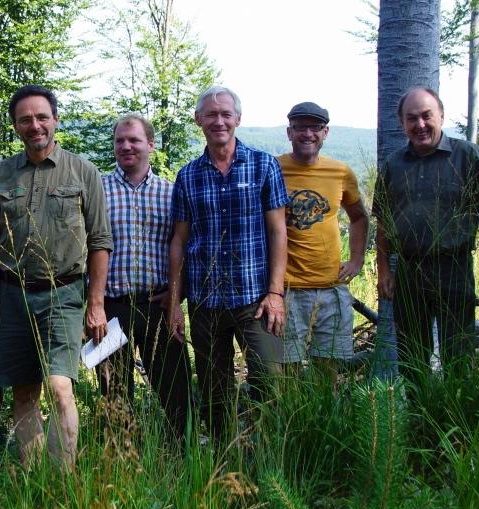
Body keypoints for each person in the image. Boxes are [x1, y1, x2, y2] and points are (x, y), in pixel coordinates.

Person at [0, 85, 113, 468]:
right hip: (14, 295)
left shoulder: (84, 172)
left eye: (41, 117)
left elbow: (100, 241)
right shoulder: (1, 175)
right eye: (25, 119)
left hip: (64, 294)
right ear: (16, 126)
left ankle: (62, 480)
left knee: (59, 387)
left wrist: (95, 304)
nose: (34, 125)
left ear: (55, 120)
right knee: (24, 391)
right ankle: (33, 480)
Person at [166, 85, 289, 445]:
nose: (219, 121)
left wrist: (276, 292)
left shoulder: (263, 164)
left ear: (237, 118)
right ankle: (223, 459)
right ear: (198, 120)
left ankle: (270, 458)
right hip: (205, 302)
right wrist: (175, 303)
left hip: (255, 299)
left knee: (269, 382)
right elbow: (179, 242)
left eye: (225, 114)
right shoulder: (188, 175)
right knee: (213, 389)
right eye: (211, 114)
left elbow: (278, 232)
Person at [373, 87, 479, 383]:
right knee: (411, 357)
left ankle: (457, 423)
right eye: (411, 119)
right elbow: (383, 221)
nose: (420, 124)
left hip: (453, 267)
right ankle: (420, 420)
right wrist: (384, 270)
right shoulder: (394, 164)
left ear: (441, 116)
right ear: (402, 124)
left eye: (426, 116)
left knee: (457, 352)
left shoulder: (467, 155)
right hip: (408, 270)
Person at [96, 113, 193, 442]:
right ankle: (121, 464)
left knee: (175, 390)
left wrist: (177, 296)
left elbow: (186, 247)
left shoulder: (171, 193)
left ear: (150, 144)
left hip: (159, 305)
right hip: (110, 307)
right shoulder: (96, 191)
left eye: (134, 140)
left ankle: (179, 458)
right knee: (113, 393)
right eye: (120, 140)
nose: (126, 146)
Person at [276, 101, 368, 385]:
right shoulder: (273, 168)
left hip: (332, 290)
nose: (307, 134)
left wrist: (356, 261)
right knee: (285, 374)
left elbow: (359, 217)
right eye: (300, 127)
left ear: (325, 132)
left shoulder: (340, 172)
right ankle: (290, 427)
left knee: (326, 373)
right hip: (287, 291)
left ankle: (320, 423)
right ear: (289, 132)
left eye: (314, 127)